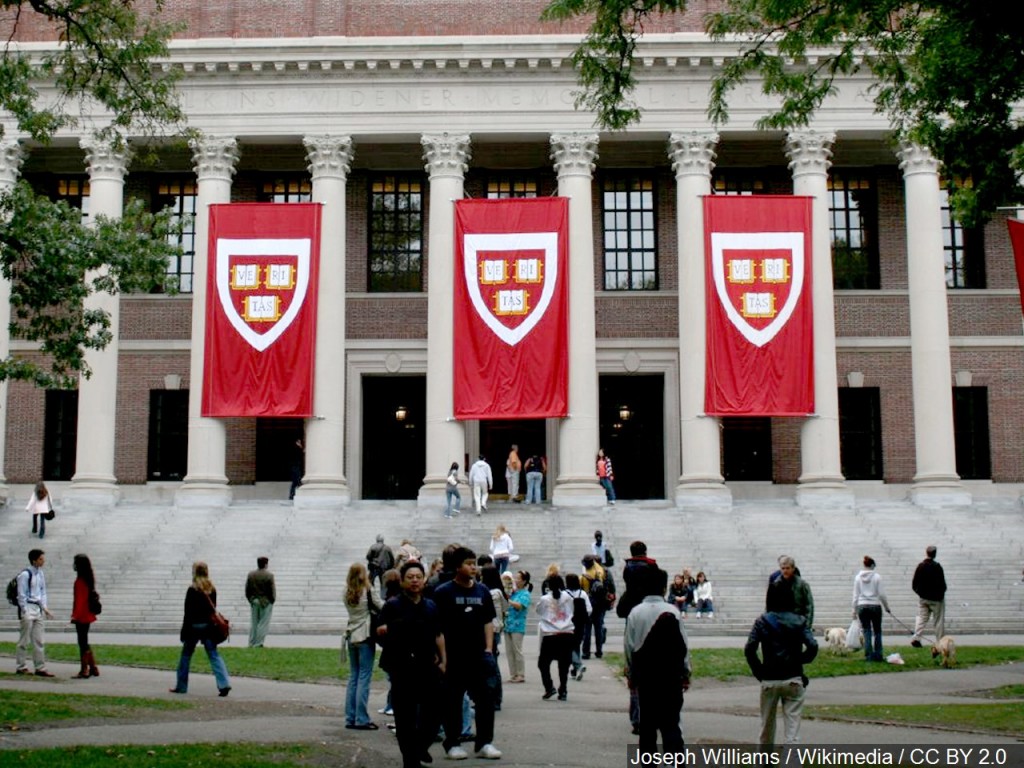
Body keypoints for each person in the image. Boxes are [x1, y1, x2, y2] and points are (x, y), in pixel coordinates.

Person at [432, 545, 502, 760]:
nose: (473, 568)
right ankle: (452, 743)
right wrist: (441, 657)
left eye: (474, 564)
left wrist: (488, 649)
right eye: (469, 564)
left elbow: (488, 621)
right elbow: (438, 627)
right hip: (453, 656)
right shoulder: (443, 592)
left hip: (478, 655)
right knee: (452, 701)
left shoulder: (482, 591)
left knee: (485, 700)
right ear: (457, 567)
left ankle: (484, 743)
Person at [376, 561, 446, 768]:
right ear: (403, 581)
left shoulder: (431, 606)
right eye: (410, 577)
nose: (415, 580)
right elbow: (380, 631)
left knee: (433, 714)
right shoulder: (393, 605)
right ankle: (411, 760)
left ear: (424, 580)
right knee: (405, 718)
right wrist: (388, 630)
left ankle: (420, 746)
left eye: (418, 577)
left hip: (427, 665)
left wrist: (443, 660)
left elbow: (438, 634)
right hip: (402, 667)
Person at [744, 579, 818, 747]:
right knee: (793, 731)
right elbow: (812, 645)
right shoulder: (799, 620)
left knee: (766, 729)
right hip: (793, 676)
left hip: (769, 677)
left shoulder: (762, 621)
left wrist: (759, 671)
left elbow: (749, 649)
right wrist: (801, 659)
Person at [624, 567, 691, 753]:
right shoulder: (673, 612)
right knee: (671, 724)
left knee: (647, 727)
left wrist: (631, 674)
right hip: (670, 676)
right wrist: (686, 672)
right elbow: (683, 646)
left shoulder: (635, 613)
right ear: (664, 588)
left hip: (646, 677)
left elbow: (629, 646)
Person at [169, 561, 231, 696]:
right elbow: (212, 609)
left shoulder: (192, 589)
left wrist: (184, 631)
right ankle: (224, 683)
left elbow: (188, 612)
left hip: (193, 627)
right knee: (214, 655)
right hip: (208, 626)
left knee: (186, 655)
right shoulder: (212, 589)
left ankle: (181, 685)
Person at [343, 562, 383, 729]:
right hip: (365, 634)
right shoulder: (367, 590)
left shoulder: (346, 592)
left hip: (351, 633)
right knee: (364, 677)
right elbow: (380, 605)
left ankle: (350, 717)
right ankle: (361, 718)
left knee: (354, 676)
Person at [535, 574, 575, 701]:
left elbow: (539, 611)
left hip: (551, 634)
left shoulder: (545, 599)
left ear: (549, 586)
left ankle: (549, 686)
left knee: (543, 663)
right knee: (564, 665)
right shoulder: (568, 597)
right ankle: (563, 689)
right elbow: (572, 611)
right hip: (567, 633)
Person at [15, 549, 55, 676]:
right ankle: (21, 666)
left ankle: (40, 667)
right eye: (41, 559)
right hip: (28, 607)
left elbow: (42, 591)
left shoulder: (40, 573)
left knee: (39, 639)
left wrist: (45, 607)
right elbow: (21, 594)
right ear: (34, 560)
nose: (43, 561)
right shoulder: (25, 575)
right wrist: (24, 610)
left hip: (38, 608)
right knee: (24, 639)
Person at [853, 555, 890, 662]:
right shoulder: (877, 577)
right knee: (877, 631)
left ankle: (868, 655)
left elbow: (855, 595)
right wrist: (887, 607)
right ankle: (878, 654)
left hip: (862, 605)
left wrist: (853, 610)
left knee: (866, 630)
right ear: (872, 565)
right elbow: (882, 594)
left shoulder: (858, 577)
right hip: (875, 605)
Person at [910, 545, 947, 647]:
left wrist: (920, 593)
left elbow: (914, 583)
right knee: (938, 621)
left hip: (923, 598)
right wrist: (941, 594)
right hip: (937, 599)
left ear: (926, 553)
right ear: (935, 554)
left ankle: (916, 637)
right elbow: (942, 584)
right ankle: (940, 642)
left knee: (922, 618)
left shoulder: (920, 566)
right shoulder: (937, 567)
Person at [70, 553, 100, 678]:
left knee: (82, 642)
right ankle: (93, 667)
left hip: (82, 615)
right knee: (84, 641)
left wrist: (75, 616)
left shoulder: (80, 581)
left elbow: (80, 600)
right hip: (87, 614)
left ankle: (85, 669)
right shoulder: (89, 579)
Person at [580, 554, 615, 659]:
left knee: (587, 629)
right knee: (598, 628)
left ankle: (586, 652)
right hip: (600, 604)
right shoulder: (603, 571)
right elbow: (611, 586)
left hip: (588, 604)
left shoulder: (585, 574)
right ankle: (599, 651)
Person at [769, 555, 815, 630]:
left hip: (798, 623)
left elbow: (809, 606)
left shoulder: (802, 584)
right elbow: (770, 606)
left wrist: (807, 626)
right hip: (781, 624)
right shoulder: (775, 585)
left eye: (787, 568)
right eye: (783, 568)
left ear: (793, 569)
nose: (785, 571)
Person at [617, 541, 657, 619]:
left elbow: (626, 580)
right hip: (648, 601)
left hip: (631, 601)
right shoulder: (652, 565)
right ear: (645, 552)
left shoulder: (628, 566)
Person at [504, 569, 531, 683]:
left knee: (517, 650)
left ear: (524, 581)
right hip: (508, 623)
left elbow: (520, 606)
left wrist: (509, 601)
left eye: (518, 578)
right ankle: (513, 673)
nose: (516, 580)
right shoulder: (513, 592)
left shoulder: (525, 593)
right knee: (509, 651)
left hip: (518, 624)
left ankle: (520, 674)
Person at [564, 573, 591, 681]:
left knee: (568, 647)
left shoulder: (564, 594)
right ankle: (575, 670)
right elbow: (589, 609)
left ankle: (578, 666)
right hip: (580, 623)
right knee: (576, 645)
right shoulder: (583, 593)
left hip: (568, 623)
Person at [245, 556, 276, 648]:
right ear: (266, 564)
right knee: (263, 623)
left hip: (254, 601)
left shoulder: (251, 574)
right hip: (265, 602)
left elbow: (247, 590)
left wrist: (251, 600)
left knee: (254, 623)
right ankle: (258, 643)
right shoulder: (269, 575)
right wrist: (272, 600)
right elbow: (272, 590)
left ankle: (251, 642)